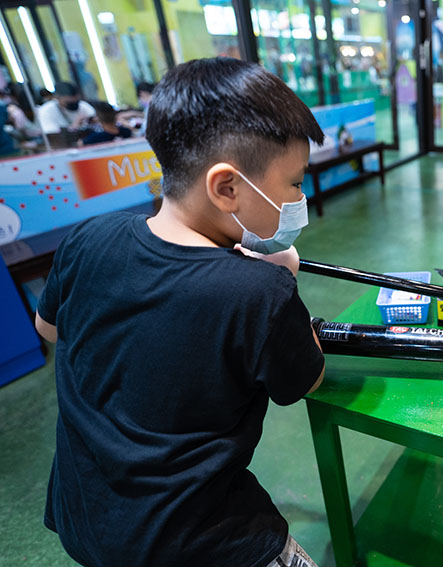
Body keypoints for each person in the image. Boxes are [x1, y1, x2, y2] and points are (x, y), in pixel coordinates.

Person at [34, 58, 326, 567]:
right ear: (227, 187)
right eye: (295, 183)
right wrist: (284, 278)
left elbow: (49, 328)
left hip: (86, 520)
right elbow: (307, 380)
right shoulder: (260, 291)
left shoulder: (88, 238)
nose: (299, 198)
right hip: (202, 541)